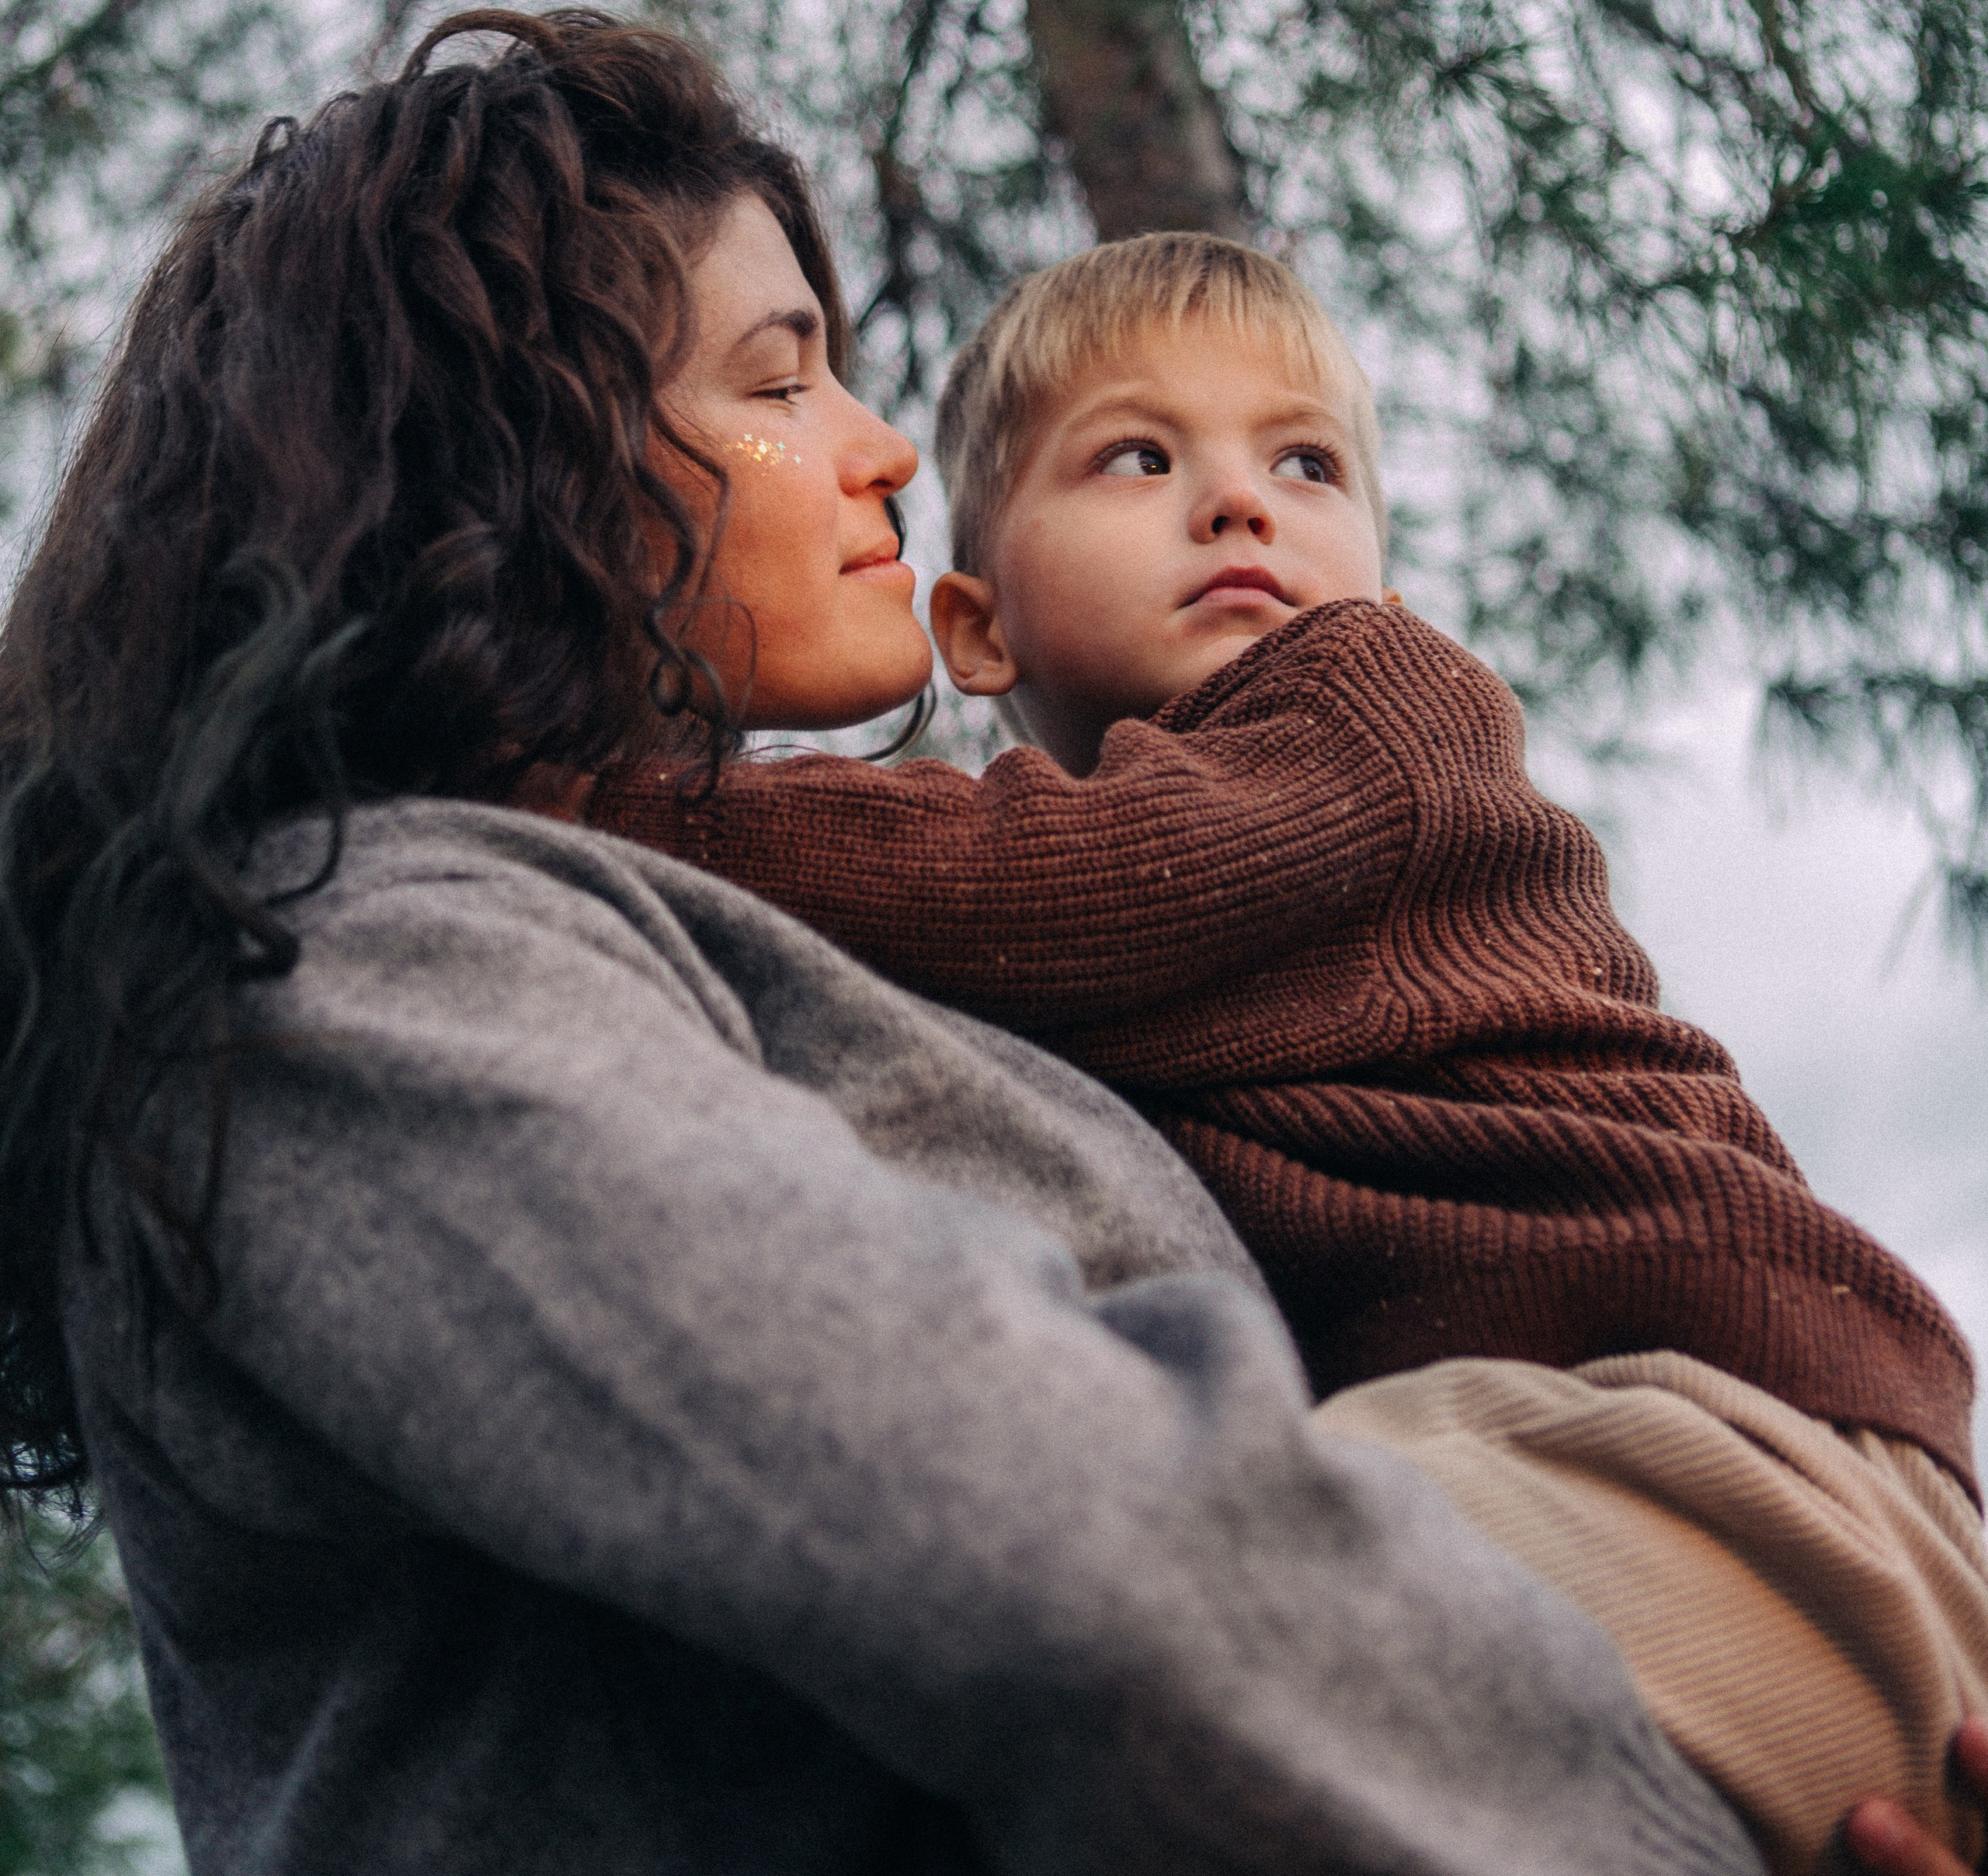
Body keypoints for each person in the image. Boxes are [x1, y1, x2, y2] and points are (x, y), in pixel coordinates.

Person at [0, 12, 1976, 1876]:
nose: (874, 449)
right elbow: (1102, 1570)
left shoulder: (1306, 750)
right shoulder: (356, 953)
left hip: (1751, 1423)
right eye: (776, 380)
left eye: (1309, 465)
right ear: (496, 463)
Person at [574, 231, 1988, 1876]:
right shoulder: (1139, 950)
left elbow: (1029, 881)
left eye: (1303, 460)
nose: (1238, 502)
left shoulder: (1378, 716)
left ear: (1385, 592)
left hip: (1723, 1450)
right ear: (974, 625)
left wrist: (586, 803)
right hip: (1564, 1468)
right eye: (1136, 455)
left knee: (1171, 1605)